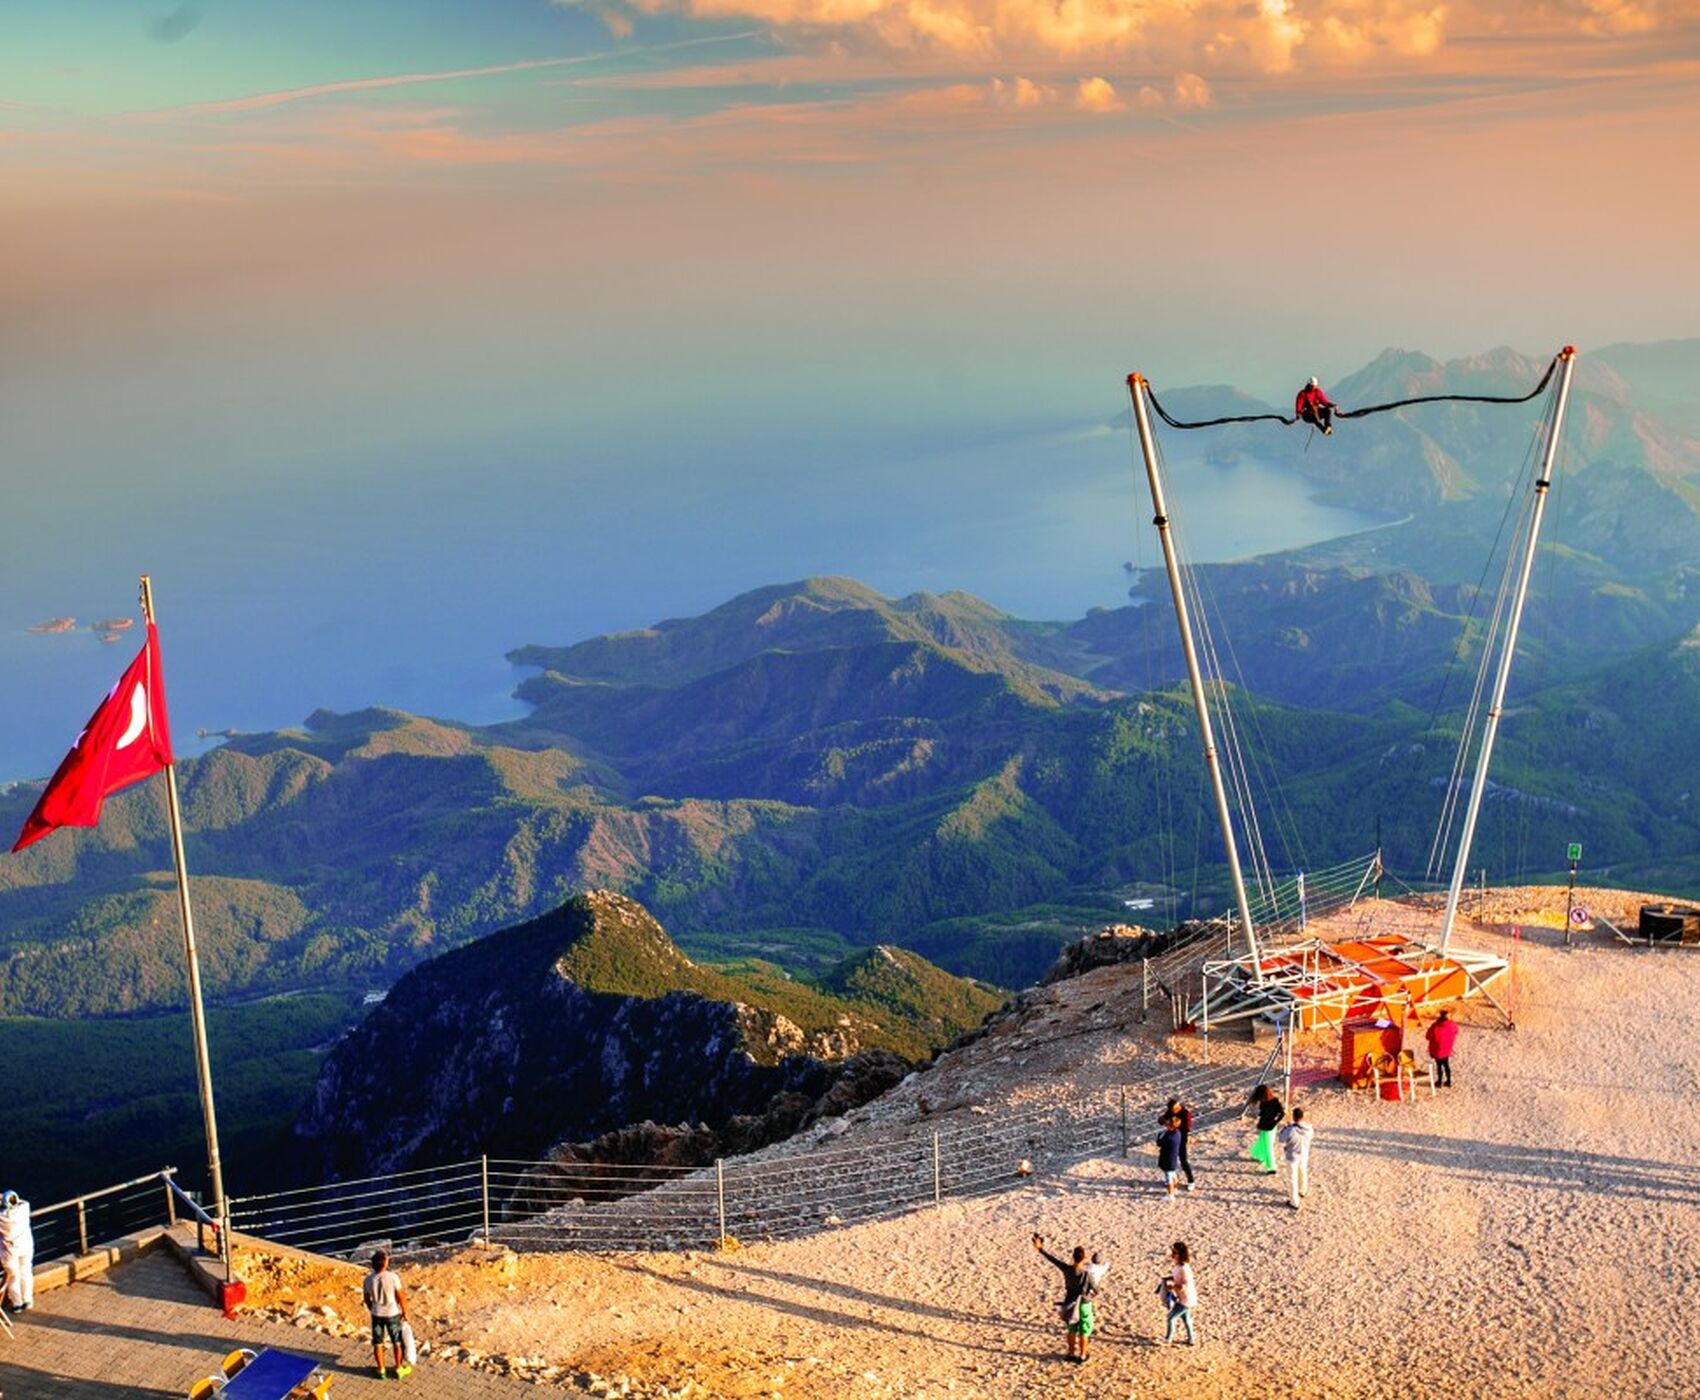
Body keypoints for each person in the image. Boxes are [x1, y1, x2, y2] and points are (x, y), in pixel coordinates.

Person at [1033, 1234, 1097, 1363]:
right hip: (1084, 1303)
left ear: (1073, 1257)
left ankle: (1070, 1352)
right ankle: (1083, 1355)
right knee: (1084, 1331)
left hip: (1070, 1303)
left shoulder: (1067, 1269)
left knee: (1071, 1329)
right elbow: (1096, 1290)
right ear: (1084, 1258)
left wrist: (1040, 1249)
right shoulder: (1087, 1275)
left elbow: (1053, 1260)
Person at [363, 1248, 412, 1380]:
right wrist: (405, 1312)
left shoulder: (368, 1279)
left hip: (376, 1314)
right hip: (392, 1314)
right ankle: (398, 1368)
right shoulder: (393, 1277)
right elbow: (401, 1297)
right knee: (397, 1342)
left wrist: (372, 1308)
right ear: (385, 1263)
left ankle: (381, 1370)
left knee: (377, 1343)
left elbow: (367, 1298)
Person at [1276, 1106, 1315, 1210]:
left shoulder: (1290, 1130)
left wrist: (1285, 1127)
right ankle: (1303, 1190)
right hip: (1304, 1154)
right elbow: (1310, 1137)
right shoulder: (1309, 1128)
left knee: (1292, 1178)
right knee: (1303, 1172)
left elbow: (1280, 1139)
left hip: (1292, 1156)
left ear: (1294, 1117)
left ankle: (1294, 1202)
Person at [1, 1191, 34, 1313]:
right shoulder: (24, 1209)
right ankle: (27, 1299)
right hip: (25, 1246)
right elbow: (23, 1202)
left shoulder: (2, 1217)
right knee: (26, 1272)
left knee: (13, 1276)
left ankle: (17, 1304)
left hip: (10, 1252)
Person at [1162, 1241, 1197, 1345]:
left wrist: (1173, 1286)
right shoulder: (1179, 1266)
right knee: (1186, 1318)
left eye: (1174, 1253)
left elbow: (1184, 1285)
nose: (1172, 1255)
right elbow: (1177, 1278)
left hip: (1186, 1299)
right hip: (1184, 1298)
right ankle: (1191, 1339)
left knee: (1171, 1318)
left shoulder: (1183, 1268)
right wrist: (1169, 1278)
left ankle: (1168, 1339)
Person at [1247, 1084, 1285, 1174]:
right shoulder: (1272, 1101)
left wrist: (1274, 1122)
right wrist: (1274, 1122)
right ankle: (1258, 1155)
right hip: (1268, 1126)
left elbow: (1280, 1114)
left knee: (1268, 1146)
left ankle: (1271, 1167)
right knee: (1264, 1142)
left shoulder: (1268, 1102)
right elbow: (1280, 1114)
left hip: (1267, 1126)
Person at [1163, 1097, 1197, 1191]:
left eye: (1174, 1109)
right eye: (1172, 1110)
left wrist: (1174, 1126)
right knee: (1169, 1160)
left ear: (1178, 1106)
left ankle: (1191, 1181)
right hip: (1171, 1138)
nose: (1173, 1111)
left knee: (1183, 1161)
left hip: (1181, 1139)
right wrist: (1164, 1121)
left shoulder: (1185, 1114)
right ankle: (1172, 1179)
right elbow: (1162, 1119)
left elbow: (1187, 1128)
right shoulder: (1171, 1111)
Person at [1427, 1008, 1459, 1087]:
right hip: (1447, 1049)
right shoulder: (1452, 1025)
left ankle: (1439, 1081)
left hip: (1437, 1049)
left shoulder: (1435, 1027)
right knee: (1446, 1065)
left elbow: (1428, 1036)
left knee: (1439, 1066)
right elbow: (1456, 1031)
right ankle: (1448, 1081)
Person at [1157, 1114, 1185, 1198]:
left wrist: (1160, 1135)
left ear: (1172, 1126)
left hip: (1168, 1159)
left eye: (1168, 1124)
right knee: (1173, 1174)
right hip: (1174, 1158)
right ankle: (1175, 1187)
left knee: (1168, 1177)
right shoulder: (1178, 1133)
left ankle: (1170, 1195)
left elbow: (1159, 1143)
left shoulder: (1169, 1138)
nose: (1166, 1124)